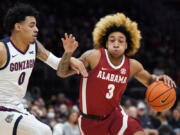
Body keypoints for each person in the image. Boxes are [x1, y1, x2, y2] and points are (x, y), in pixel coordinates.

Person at [57, 13, 176, 135]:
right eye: (112, 40)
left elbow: (150, 81)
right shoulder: (93, 56)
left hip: (115, 116)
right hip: (90, 120)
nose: (116, 43)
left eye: (121, 41)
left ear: (126, 45)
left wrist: (160, 80)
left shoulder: (133, 65)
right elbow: (62, 73)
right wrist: (68, 53)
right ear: (107, 43)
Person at [0, 3, 87, 135]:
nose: (36, 29)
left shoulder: (34, 46)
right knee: (43, 131)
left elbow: (59, 67)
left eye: (36, 25)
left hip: (17, 107)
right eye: (31, 25)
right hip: (2, 108)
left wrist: (68, 54)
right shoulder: (2, 49)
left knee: (45, 131)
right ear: (18, 27)